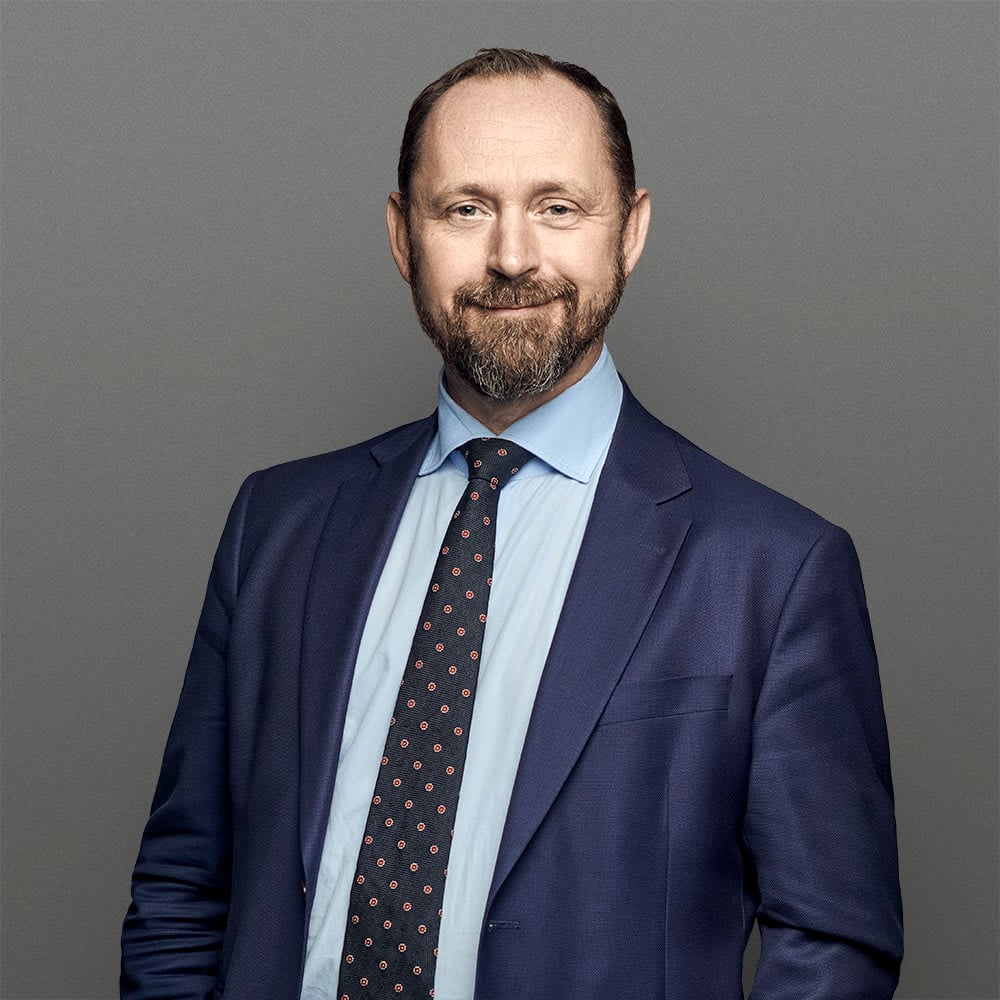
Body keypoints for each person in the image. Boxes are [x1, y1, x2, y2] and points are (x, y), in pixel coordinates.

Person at [121, 48, 903, 1000]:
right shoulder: (277, 528)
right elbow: (182, 888)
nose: (513, 256)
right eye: (465, 208)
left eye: (558, 207)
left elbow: (833, 943)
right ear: (402, 236)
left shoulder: (773, 570)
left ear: (631, 231)